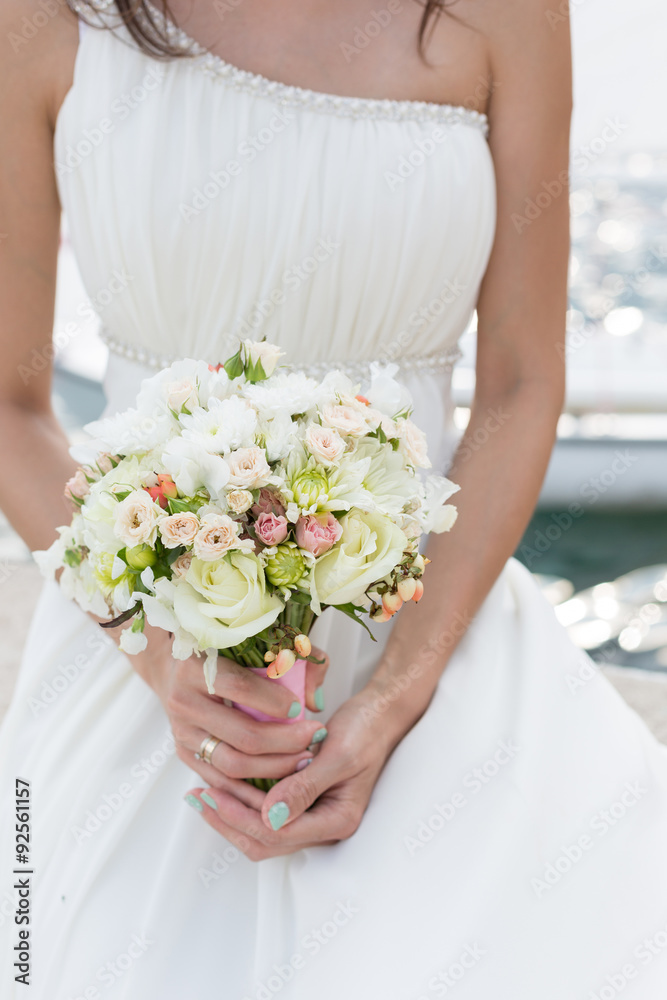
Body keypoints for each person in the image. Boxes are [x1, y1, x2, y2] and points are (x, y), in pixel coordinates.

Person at [1, 1, 666, 997]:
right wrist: (153, 649)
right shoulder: (44, 15)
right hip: (143, 667)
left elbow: (524, 381)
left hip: (432, 645)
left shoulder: (512, 13)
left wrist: (397, 694)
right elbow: (10, 402)